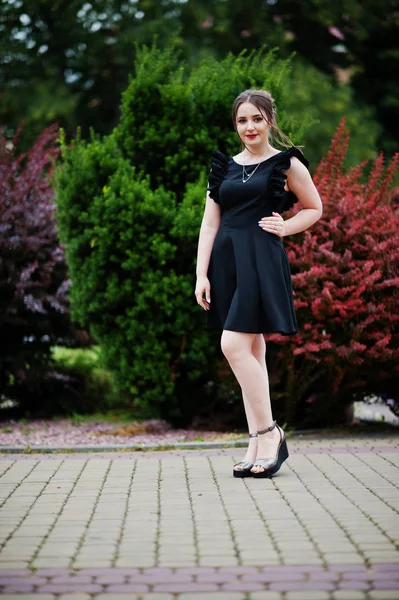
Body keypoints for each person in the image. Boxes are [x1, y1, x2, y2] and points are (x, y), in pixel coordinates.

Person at [195, 89, 322, 479]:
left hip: (261, 260)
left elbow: (314, 208)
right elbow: (210, 221)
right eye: (242, 121)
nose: (249, 127)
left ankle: (271, 433)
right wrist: (201, 273)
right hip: (227, 263)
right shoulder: (224, 167)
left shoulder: (287, 163)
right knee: (252, 350)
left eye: (256, 118)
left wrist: (286, 226)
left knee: (231, 344)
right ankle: (255, 442)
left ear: (269, 119)